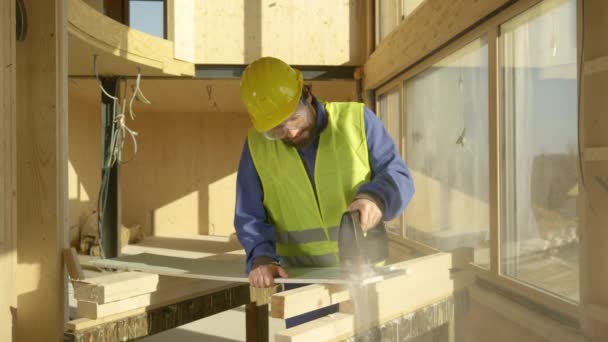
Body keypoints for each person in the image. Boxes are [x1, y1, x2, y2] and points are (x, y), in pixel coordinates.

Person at [234, 56, 414, 327]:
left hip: (364, 272)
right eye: (277, 129)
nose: (290, 131)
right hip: (301, 279)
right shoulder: (257, 146)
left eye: (293, 118)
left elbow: (398, 176)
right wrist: (261, 257)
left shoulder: (357, 120)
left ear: (307, 95)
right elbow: (249, 213)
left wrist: (375, 199)